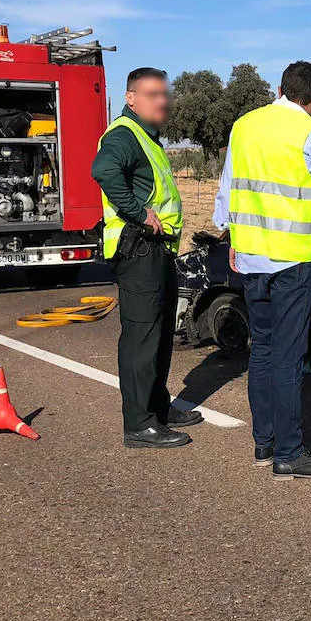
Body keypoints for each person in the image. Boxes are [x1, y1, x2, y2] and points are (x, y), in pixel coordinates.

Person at [224, 61, 311, 480]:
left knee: (260, 350)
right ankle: (289, 453)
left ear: (280, 88)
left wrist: (230, 235)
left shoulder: (243, 125)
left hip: (249, 257)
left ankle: (264, 442)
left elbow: (227, 187)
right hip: (292, 262)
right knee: (288, 355)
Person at [91, 68, 202, 448]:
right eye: (153, 94)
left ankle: (157, 406)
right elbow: (102, 171)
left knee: (159, 335)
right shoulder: (124, 134)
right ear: (131, 98)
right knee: (142, 336)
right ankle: (139, 425)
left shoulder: (147, 138)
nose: (163, 101)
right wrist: (139, 213)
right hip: (138, 248)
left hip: (157, 250)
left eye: (165, 94)